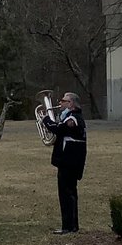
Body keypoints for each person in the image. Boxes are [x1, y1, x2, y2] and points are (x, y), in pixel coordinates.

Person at [43, 91, 87, 234]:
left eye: (63, 100)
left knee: (67, 194)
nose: (60, 103)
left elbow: (59, 129)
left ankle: (69, 226)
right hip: (67, 162)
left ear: (71, 104)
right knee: (68, 194)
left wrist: (45, 120)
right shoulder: (69, 117)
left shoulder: (74, 118)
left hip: (70, 162)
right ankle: (70, 225)